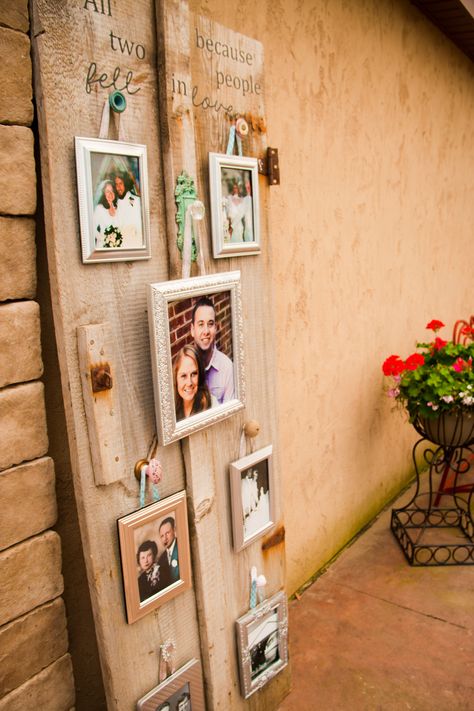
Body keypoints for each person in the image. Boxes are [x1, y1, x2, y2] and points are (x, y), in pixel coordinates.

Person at [191, 297, 234, 404]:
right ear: (192, 330)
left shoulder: (227, 367)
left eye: (210, 324)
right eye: (200, 324)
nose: (206, 331)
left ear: (215, 328)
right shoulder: (185, 367)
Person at [173, 344, 213, 420]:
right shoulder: (170, 409)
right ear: (176, 378)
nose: (189, 383)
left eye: (194, 374)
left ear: (200, 375)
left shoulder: (213, 407)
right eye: (183, 376)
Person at [114, 171, 143, 248]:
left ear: (125, 184)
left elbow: (139, 224)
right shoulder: (116, 202)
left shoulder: (134, 200)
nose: (118, 188)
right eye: (116, 184)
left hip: (134, 243)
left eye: (120, 184)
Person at [93, 180, 120, 248]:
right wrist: (104, 239)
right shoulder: (99, 209)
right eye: (107, 191)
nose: (110, 194)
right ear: (103, 194)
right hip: (103, 246)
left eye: (112, 191)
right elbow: (92, 228)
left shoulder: (119, 208)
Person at [157, 517, 179, 588]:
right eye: (162, 536)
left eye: (167, 533)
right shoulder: (161, 559)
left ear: (174, 530)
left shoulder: (181, 546)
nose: (165, 538)